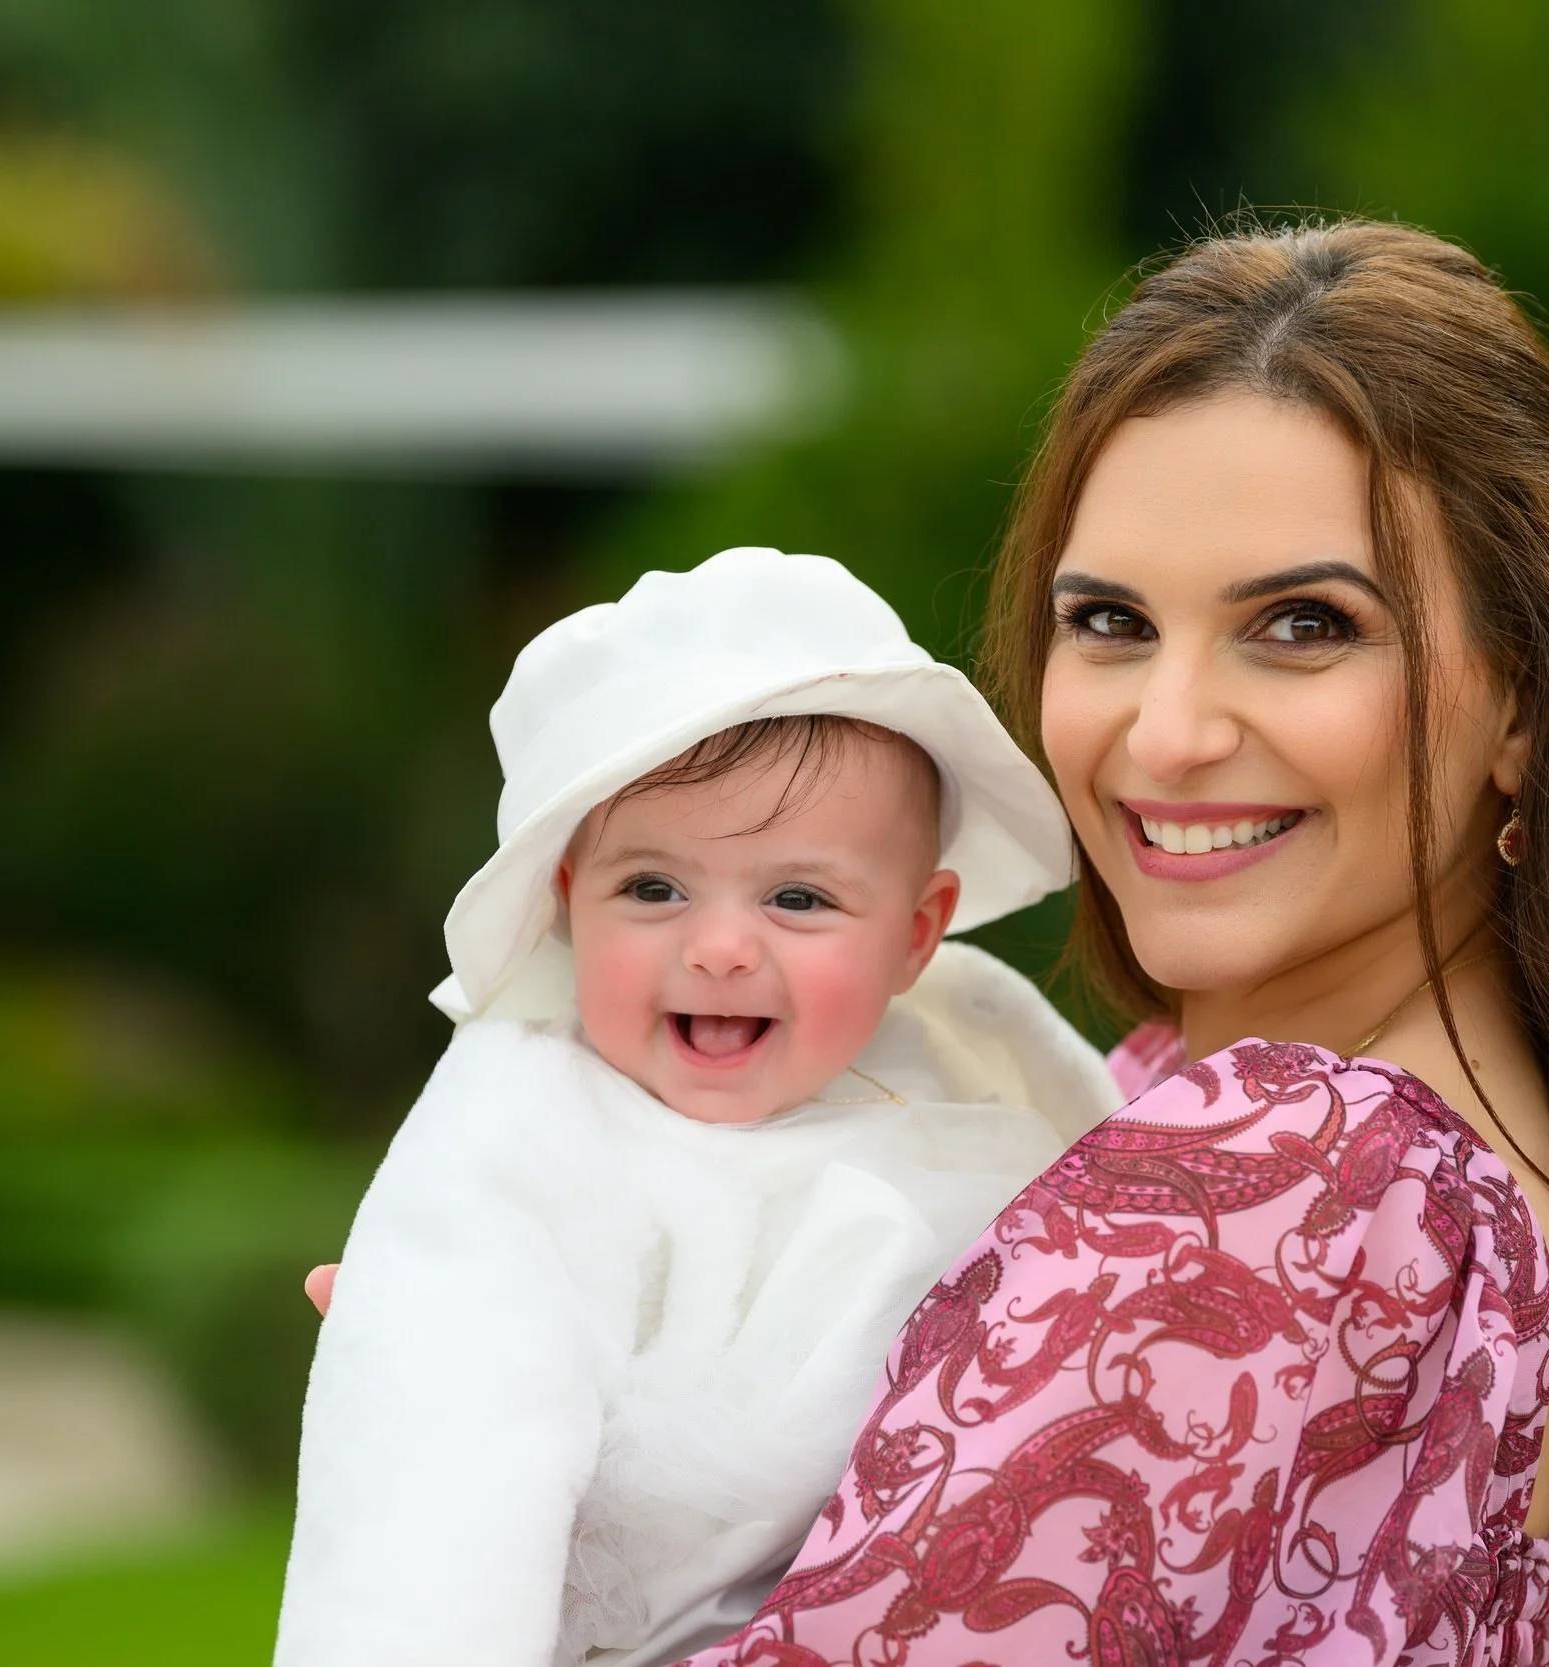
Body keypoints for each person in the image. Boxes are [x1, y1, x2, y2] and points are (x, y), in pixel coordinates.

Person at [311, 219, 1549, 1667]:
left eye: (1306, 625)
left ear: (1521, 699)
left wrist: (499, 1475)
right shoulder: (1423, 1133)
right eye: (1112, 620)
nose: (1170, 730)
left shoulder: (1287, 1189)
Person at [274, 548, 1121, 1667]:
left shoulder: (973, 1034)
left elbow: (1118, 1204)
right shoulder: (516, 1130)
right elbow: (425, 1498)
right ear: (569, 902)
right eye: (654, 888)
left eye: (798, 897)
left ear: (916, 934)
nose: (720, 948)